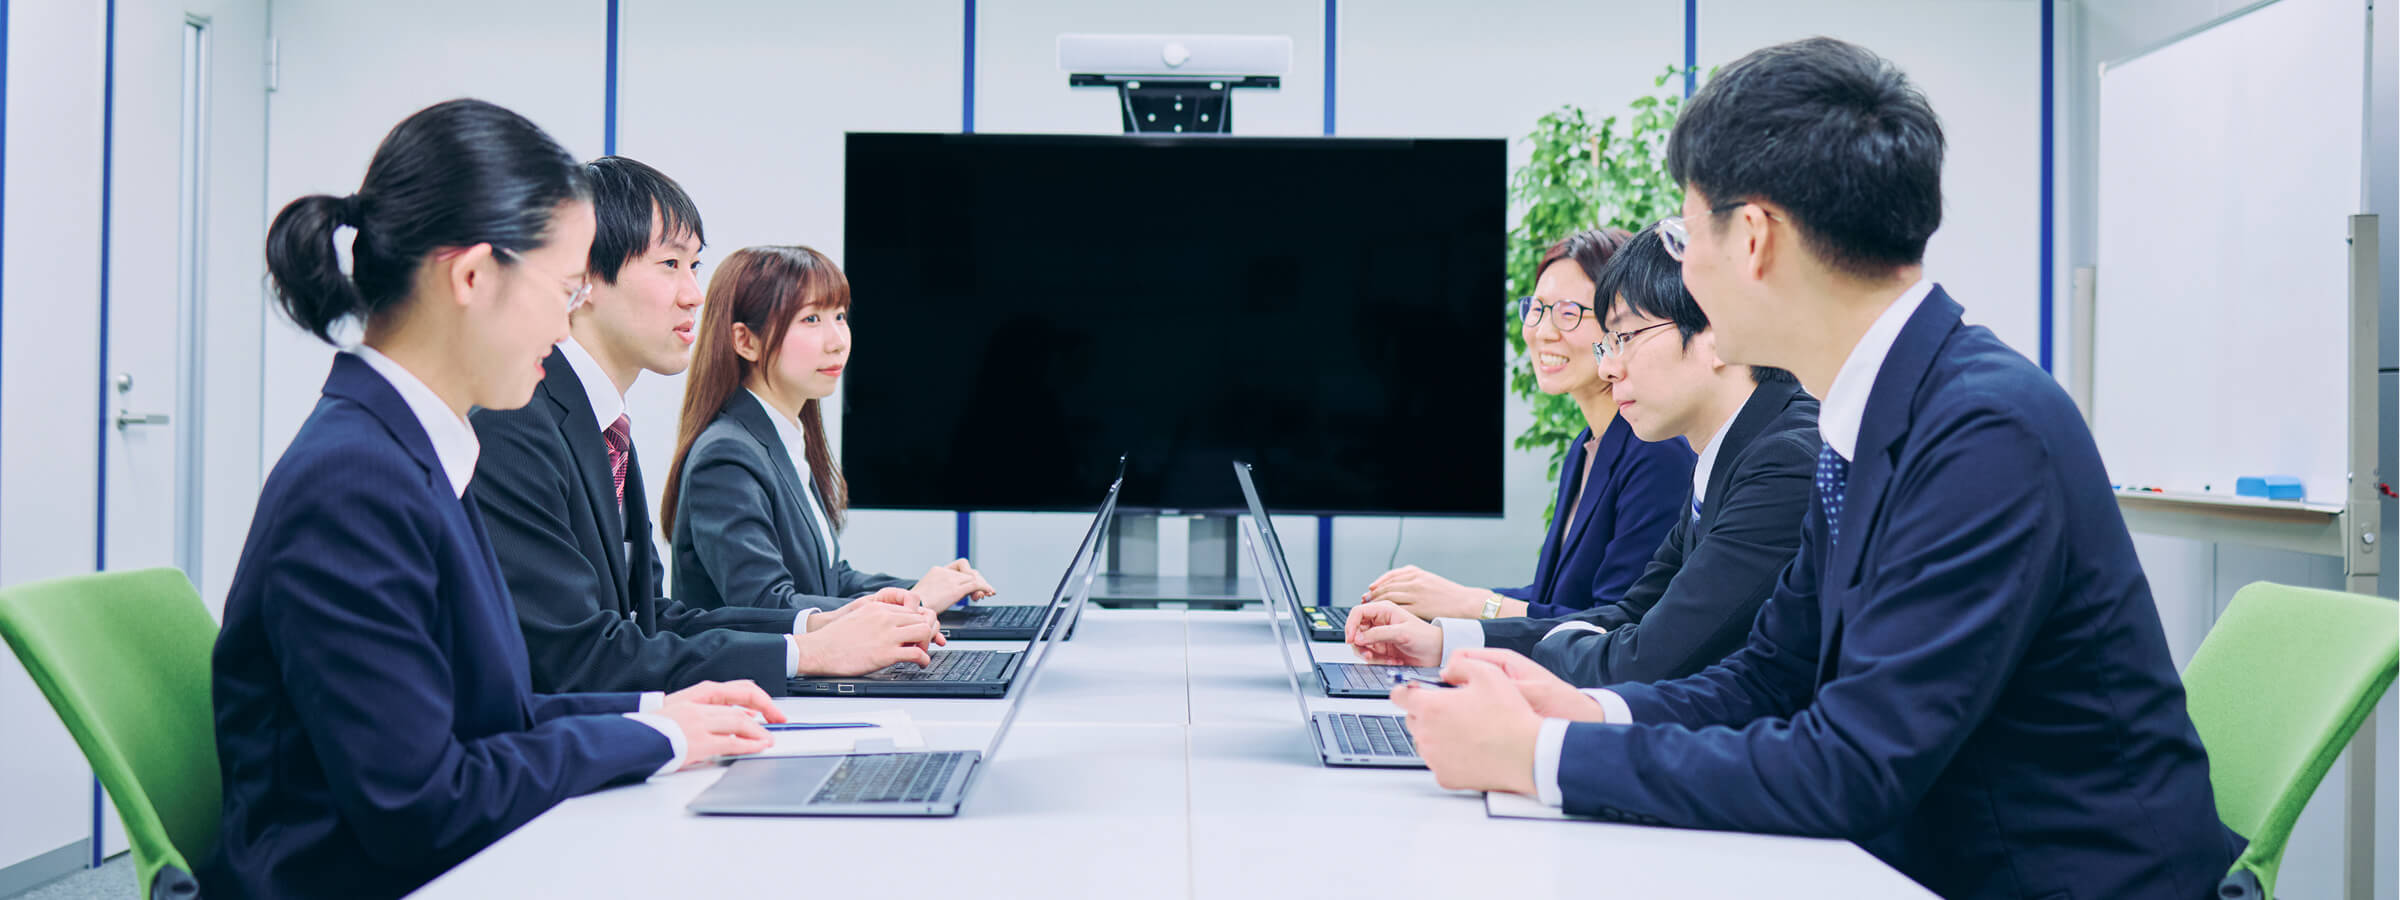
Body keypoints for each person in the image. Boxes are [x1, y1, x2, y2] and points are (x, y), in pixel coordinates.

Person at [1389, 38, 2241, 900]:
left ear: (1752, 237)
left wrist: (1539, 756)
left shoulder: (1985, 431)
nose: (1681, 268)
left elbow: (1855, 766)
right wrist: (1588, 711)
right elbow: (1771, 673)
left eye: (1688, 233)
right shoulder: (1863, 416)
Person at [204, 100, 793, 900]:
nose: (567, 320)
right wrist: (650, 735)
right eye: (563, 287)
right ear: (472, 277)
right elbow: (419, 800)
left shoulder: (409, 449)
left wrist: (662, 708)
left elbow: (494, 711)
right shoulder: (356, 484)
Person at [470, 156, 945, 694]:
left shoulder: (603, 427)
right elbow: (572, 656)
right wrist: (808, 651)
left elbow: (653, 620)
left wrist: (819, 625)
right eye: (670, 264)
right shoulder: (516, 422)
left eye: (694, 266)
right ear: (585, 274)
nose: (695, 294)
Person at [1345, 228, 1817, 687]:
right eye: (1608, 344)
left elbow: (1645, 656)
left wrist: (1473, 632)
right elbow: (1629, 616)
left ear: (1717, 333)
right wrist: (1443, 643)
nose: (1610, 366)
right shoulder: (1723, 453)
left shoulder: (1782, 462)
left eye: (1626, 338)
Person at [1361, 230, 1695, 621]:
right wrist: (1434, 601)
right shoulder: (1587, 446)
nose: (1542, 331)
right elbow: (1554, 597)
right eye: (1536, 309)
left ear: (1620, 323)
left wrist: (1469, 605)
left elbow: (1615, 624)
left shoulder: (1657, 452)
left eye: (1568, 313)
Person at [662, 245, 998, 613]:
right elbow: (765, 606)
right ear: (746, 341)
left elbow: (830, 579)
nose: (838, 341)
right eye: (811, 319)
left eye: (839, 316)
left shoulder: (783, 438)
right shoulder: (726, 455)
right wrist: (917, 602)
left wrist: (930, 588)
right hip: (750, 673)